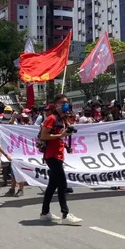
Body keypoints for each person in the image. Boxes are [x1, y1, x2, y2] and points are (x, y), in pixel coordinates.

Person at [39, 95, 82, 225]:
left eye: (67, 102)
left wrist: (67, 146)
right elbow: (44, 136)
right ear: (56, 104)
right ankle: (65, 214)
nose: (65, 104)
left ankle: (45, 213)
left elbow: (61, 137)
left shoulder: (62, 119)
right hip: (52, 156)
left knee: (52, 186)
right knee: (62, 184)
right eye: (63, 102)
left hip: (58, 155)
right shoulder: (51, 118)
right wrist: (61, 135)